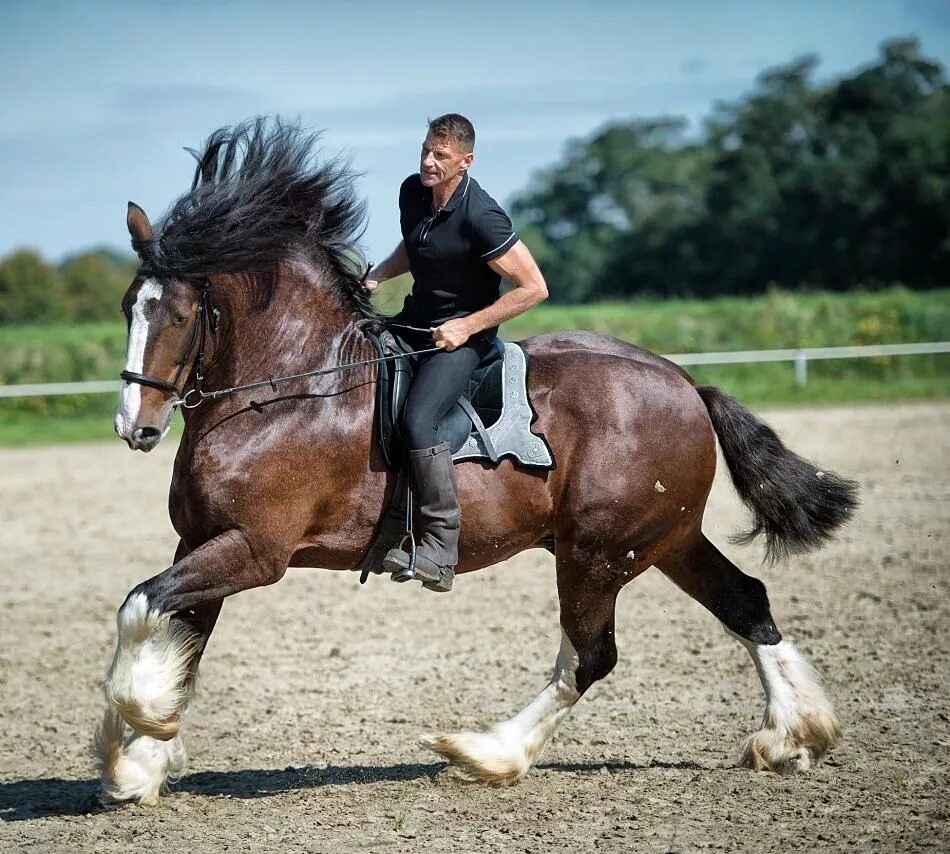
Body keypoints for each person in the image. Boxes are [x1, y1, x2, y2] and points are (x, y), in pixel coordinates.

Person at [366, 113, 548, 591]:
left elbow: (533, 287)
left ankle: (440, 549)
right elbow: (417, 246)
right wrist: (379, 274)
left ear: (465, 162)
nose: (428, 161)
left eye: (440, 155)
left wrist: (467, 325)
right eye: (426, 150)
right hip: (414, 321)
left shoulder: (482, 216)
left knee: (418, 419)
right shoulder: (412, 191)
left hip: (466, 341)